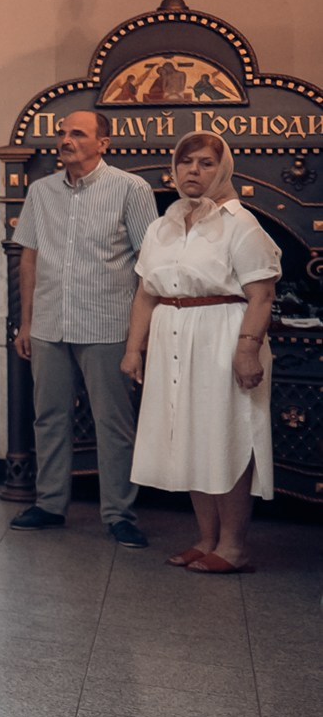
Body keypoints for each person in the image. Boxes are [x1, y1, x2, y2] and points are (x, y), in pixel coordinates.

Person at [121, 133, 278, 573]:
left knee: (224, 437)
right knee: (189, 438)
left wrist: (247, 351)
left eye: (206, 163)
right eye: (186, 161)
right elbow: (146, 293)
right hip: (172, 337)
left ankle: (233, 546)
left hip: (222, 337)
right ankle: (207, 539)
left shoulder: (241, 225)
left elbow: (262, 295)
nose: (193, 170)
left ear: (223, 169)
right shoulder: (162, 226)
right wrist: (134, 349)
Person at [11, 109, 159, 546]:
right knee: (48, 418)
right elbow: (29, 258)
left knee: (113, 423)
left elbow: (148, 263)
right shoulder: (41, 191)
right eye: (62, 133)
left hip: (108, 325)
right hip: (49, 324)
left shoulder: (131, 189)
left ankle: (119, 514)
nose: (66, 140)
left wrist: (139, 336)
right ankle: (49, 504)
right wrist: (26, 323)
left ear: (103, 143)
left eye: (77, 133)